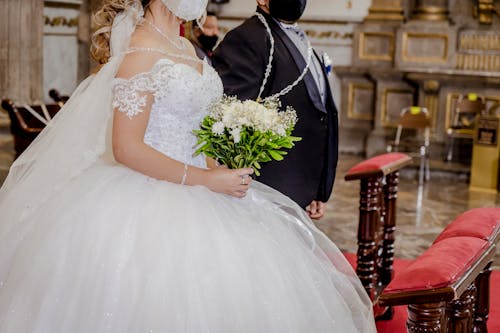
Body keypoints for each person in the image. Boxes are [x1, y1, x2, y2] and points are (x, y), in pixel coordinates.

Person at [0, 0, 376, 332]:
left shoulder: (186, 47)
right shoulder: (139, 51)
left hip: (208, 186)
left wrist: (223, 170)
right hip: (149, 196)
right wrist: (206, 178)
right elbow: (126, 147)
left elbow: (199, 127)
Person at [212, 0, 338, 219]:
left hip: (302, 186)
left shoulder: (299, 38)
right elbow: (232, 117)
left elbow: (320, 113)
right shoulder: (247, 38)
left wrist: (319, 189)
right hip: (267, 191)